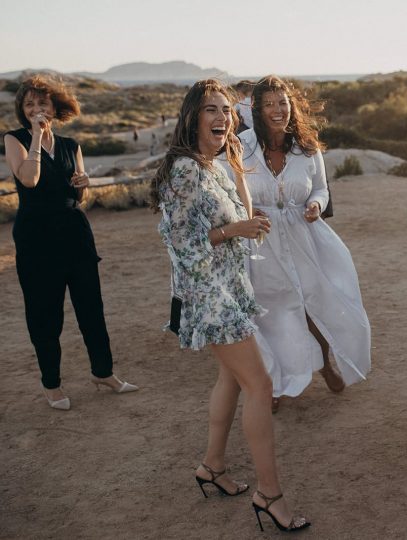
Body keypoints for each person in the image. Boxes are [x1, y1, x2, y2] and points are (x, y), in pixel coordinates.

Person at [149, 79, 309, 532]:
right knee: (259, 385)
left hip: (230, 286)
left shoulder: (213, 165)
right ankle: (269, 495)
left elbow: (235, 213)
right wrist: (234, 232)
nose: (221, 118)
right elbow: (180, 245)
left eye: (225, 110)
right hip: (208, 295)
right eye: (209, 110)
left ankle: (212, 467)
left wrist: (242, 220)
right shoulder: (183, 169)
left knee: (233, 379)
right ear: (191, 117)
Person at [233, 75, 371, 412]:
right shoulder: (241, 147)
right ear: (257, 109)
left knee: (316, 303)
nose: (278, 110)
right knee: (272, 313)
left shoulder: (307, 147)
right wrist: (247, 215)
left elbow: (321, 189)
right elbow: (231, 192)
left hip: (304, 236)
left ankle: (326, 364)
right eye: (269, 104)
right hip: (261, 242)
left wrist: (316, 206)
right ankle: (275, 384)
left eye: (283, 103)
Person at [4, 75, 138, 411]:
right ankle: (51, 384)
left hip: (75, 235)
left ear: (54, 107)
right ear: (23, 110)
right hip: (37, 239)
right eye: (30, 104)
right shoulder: (15, 139)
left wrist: (84, 182)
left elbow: (79, 196)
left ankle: (103, 373)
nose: (37, 109)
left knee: (91, 309)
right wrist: (36, 137)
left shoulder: (71, 145)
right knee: (45, 315)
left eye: (43, 103)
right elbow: (30, 179)